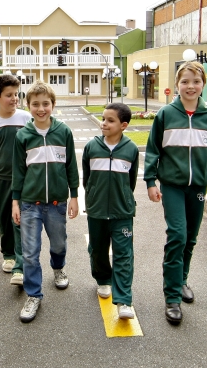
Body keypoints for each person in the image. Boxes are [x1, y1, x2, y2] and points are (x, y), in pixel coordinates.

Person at [143, 61, 207, 326]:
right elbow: (153, 150)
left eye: (196, 81)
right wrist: (150, 181)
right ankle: (171, 299)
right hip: (172, 185)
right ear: (177, 85)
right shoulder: (166, 114)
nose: (190, 86)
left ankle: (181, 281)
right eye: (185, 81)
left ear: (203, 84)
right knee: (178, 235)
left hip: (199, 188)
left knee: (190, 238)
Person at [11, 81, 79, 323]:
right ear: (28, 106)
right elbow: (18, 172)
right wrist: (15, 202)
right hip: (30, 203)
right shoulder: (23, 136)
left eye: (45, 104)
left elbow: (71, 166)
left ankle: (58, 267)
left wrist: (74, 196)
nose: (41, 108)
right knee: (30, 253)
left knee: (59, 244)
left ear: (53, 105)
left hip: (58, 203)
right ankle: (33, 294)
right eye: (36, 104)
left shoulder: (64, 132)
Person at [82, 102, 140, 320]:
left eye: (110, 120)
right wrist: (94, 197)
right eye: (103, 119)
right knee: (97, 250)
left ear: (123, 125)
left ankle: (124, 299)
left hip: (122, 213)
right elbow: (87, 179)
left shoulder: (131, 149)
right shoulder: (91, 147)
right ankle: (103, 280)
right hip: (96, 211)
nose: (104, 123)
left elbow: (130, 182)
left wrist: (123, 198)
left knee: (124, 254)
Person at [0, 74, 32, 285]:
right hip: (0, 179)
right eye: (9, 95)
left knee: (19, 220)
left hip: (24, 179)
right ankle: (8, 255)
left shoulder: (26, 119)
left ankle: (20, 265)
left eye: (16, 94)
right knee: (3, 218)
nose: (14, 99)